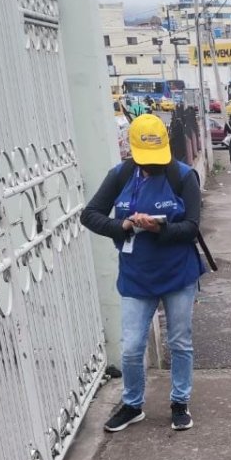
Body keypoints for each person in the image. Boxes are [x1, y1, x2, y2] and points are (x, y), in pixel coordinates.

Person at [80, 113, 207, 433]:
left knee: (179, 341)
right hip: (137, 274)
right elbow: (90, 215)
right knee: (132, 345)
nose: (151, 166)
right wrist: (120, 225)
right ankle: (133, 404)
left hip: (178, 273)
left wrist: (159, 227)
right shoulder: (121, 175)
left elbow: (192, 227)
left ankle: (180, 401)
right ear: (132, 151)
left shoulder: (183, 176)